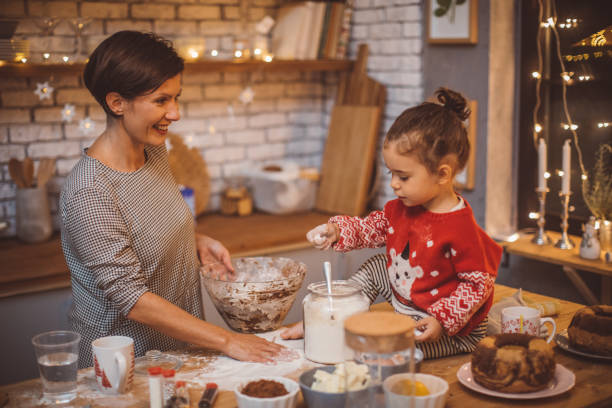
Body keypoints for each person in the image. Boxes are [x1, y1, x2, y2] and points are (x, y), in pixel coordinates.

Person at [60, 31, 282, 368]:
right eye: (162, 101)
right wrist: (228, 340)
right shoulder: (90, 191)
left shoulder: (153, 150)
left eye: (176, 98)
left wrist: (194, 240)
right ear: (117, 103)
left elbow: (145, 225)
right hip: (120, 365)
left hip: (174, 350)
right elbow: (131, 299)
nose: (175, 113)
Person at [282, 88, 502, 359]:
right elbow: (373, 228)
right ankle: (329, 320)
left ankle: (379, 339)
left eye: (404, 176)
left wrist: (442, 321)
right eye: (391, 173)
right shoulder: (403, 207)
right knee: (376, 266)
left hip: (446, 329)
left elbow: (478, 285)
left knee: (394, 351)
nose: (394, 184)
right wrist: (338, 230)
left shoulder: (461, 229)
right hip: (408, 297)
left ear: (442, 174)